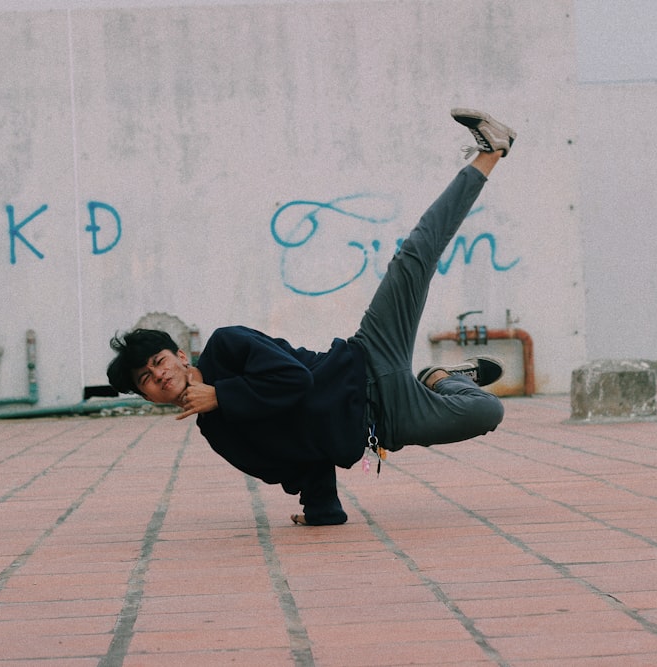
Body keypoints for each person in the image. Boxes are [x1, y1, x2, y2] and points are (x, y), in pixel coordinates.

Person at [108, 108, 515, 526]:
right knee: (488, 413)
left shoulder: (226, 347)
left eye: (157, 362)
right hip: (386, 421)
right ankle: (441, 380)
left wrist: (221, 395)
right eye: (144, 380)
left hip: (366, 359)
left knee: (413, 259)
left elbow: (295, 379)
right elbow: (293, 462)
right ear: (148, 397)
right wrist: (322, 510)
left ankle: (489, 152)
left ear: (179, 354)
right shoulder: (217, 432)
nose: (157, 376)